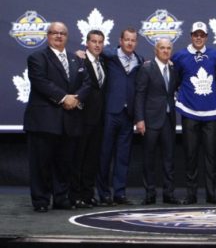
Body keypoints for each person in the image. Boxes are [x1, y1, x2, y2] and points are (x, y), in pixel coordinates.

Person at [24, 22, 91, 212]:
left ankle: (61, 198)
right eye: (54, 33)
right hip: (44, 121)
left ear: (67, 37)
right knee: (41, 164)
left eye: (62, 33)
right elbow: (41, 82)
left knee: (64, 163)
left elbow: (86, 83)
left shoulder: (76, 60)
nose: (59, 36)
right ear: (48, 36)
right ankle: (41, 200)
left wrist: (75, 98)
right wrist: (64, 98)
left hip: (69, 121)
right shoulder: (37, 57)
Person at [172, 22, 216, 205]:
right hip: (189, 112)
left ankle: (211, 194)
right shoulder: (179, 56)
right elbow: (174, 79)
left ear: (207, 37)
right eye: (196, 35)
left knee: (211, 156)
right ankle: (191, 194)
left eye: (202, 35)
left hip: (211, 113)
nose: (199, 38)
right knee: (190, 156)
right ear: (191, 36)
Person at [96, 27, 144, 206]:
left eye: (133, 40)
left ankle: (120, 193)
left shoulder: (139, 61)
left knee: (123, 157)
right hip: (110, 113)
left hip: (127, 115)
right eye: (127, 39)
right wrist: (81, 52)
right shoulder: (108, 56)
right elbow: (94, 54)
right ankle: (103, 194)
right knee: (105, 154)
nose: (130, 43)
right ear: (120, 40)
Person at [134, 38, 180, 205]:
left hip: (168, 120)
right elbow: (139, 94)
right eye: (162, 48)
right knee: (149, 158)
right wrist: (139, 119)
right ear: (156, 50)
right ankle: (150, 194)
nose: (166, 51)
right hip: (150, 120)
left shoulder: (173, 69)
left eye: (168, 48)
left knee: (169, 159)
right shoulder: (147, 68)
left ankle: (169, 194)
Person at [70, 30, 107, 209]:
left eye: (100, 42)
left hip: (99, 120)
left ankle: (87, 195)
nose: (97, 45)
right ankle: (75, 196)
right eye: (94, 41)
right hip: (81, 118)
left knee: (92, 160)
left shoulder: (104, 62)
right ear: (87, 43)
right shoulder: (78, 60)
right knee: (78, 159)